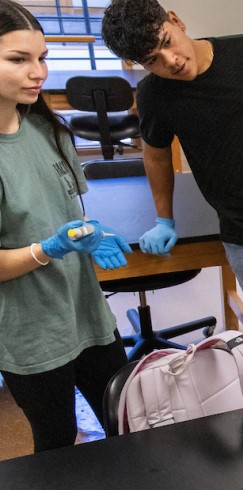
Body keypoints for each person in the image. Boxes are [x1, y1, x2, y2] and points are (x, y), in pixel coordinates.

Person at [101, 0, 243, 400]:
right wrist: (164, 219)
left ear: (175, 20)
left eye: (167, 43)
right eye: (152, 61)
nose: (171, 61)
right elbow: (156, 154)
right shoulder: (154, 94)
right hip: (242, 231)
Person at [0, 0, 132, 452]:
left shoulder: (48, 129)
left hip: (88, 314)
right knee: (57, 443)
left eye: (42, 58)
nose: (37, 72)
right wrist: (48, 249)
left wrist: (89, 233)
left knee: (126, 422)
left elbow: (67, 210)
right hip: (33, 332)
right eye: (18, 59)